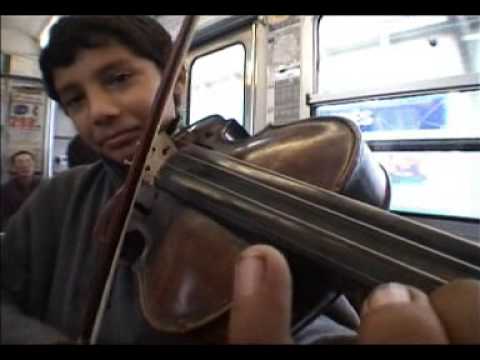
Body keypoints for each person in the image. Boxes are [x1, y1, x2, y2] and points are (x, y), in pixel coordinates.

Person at [1, 16, 478, 345]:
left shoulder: (259, 179)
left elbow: (313, 317)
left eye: (119, 78)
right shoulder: (59, 198)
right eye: (75, 100)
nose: (99, 111)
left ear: (177, 82)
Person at [0, 150, 42, 231]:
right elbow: (3, 217)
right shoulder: (5, 190)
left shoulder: (45, 186)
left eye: (28, 161)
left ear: (34, 166)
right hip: (15, 231)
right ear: (13, 168)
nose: (25, 165)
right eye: (20, 162)